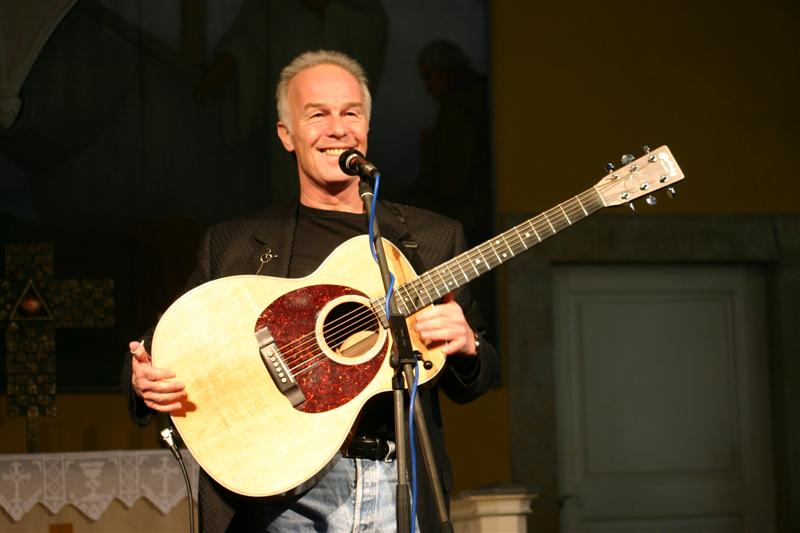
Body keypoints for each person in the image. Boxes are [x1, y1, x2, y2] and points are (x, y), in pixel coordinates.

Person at [122, 49, 499, 533]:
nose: (337, 128)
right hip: (279, 496)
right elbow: (160, 348)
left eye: (350, 113)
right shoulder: (234, 245)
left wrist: (468, 347)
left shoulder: (429, 239)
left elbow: (477, 379)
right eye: (317, 114)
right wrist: (143, 380)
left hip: (396, 484)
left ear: (367, 127)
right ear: (287, 134)